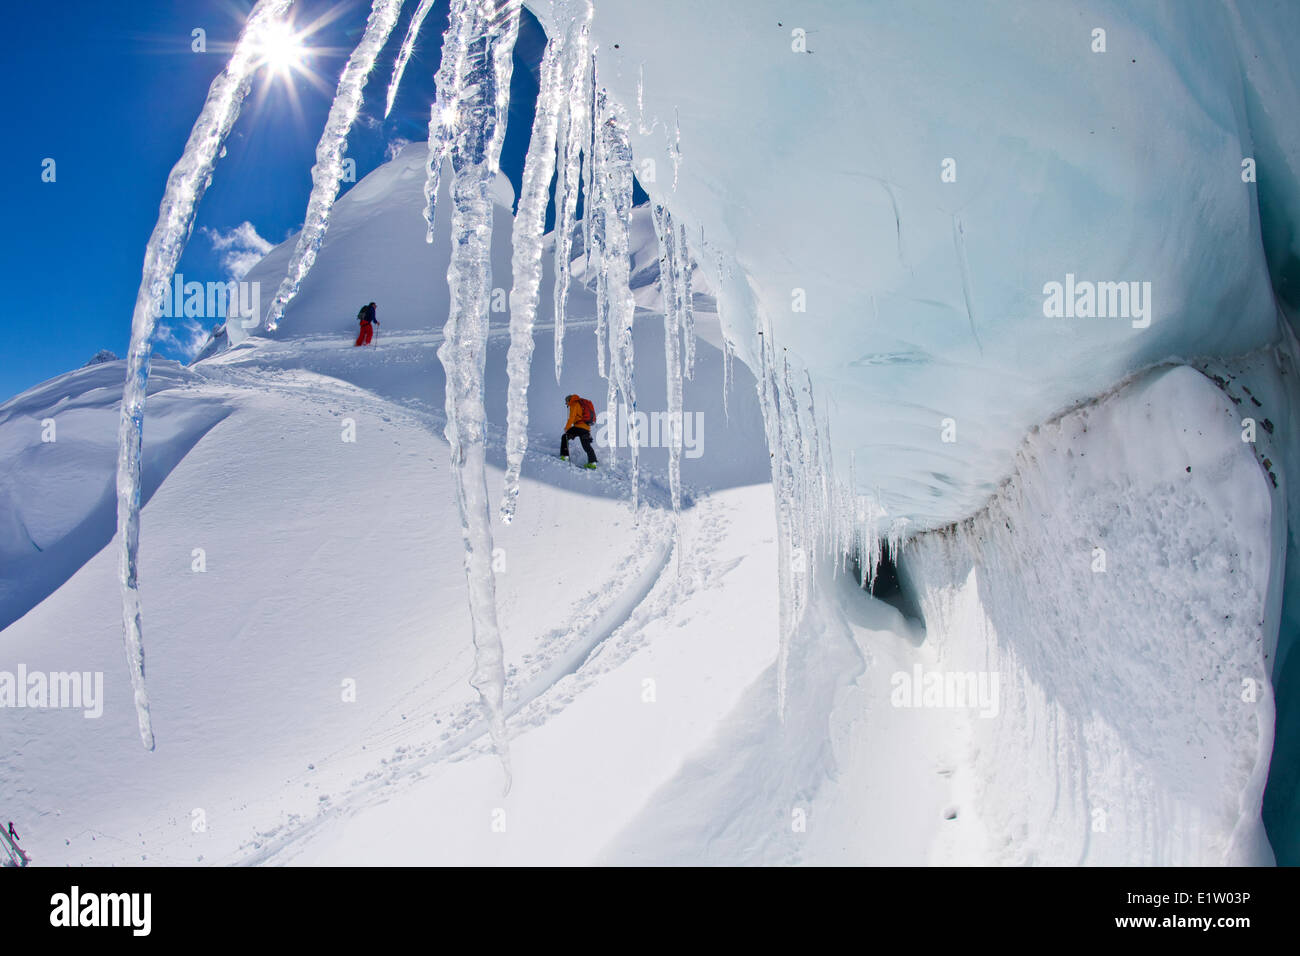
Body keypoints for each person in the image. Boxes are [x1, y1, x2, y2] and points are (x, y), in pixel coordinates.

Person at [560, 394, 598, 468]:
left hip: (578, 427)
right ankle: (592, 462)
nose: (566, 404)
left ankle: (565, 456)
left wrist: (567, 427)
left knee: (565, 437)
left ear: (569, 400)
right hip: (586, 428)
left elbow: (572, 418)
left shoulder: (574, 404)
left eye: (566, 402)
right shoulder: (581, 403)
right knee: (586, 446)